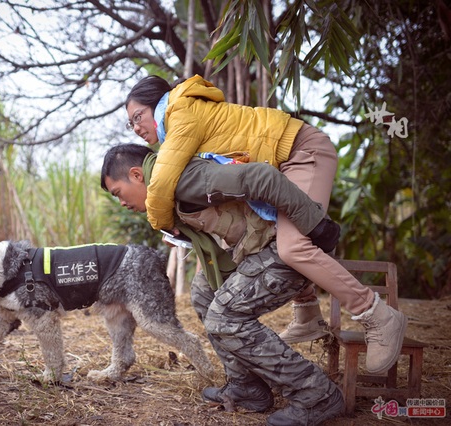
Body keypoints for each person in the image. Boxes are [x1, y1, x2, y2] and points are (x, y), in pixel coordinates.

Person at [123, 74, 407, 374]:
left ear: (158, 103)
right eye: (131, 124)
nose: (136, 128)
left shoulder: (181, 112)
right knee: (272, 236)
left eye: (138, 116)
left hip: (302, 152)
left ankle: (376, 315)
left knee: (293, 247)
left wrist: (161, 222)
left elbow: (163, 180)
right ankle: (308, 314)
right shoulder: (178, 120)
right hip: (284, 161)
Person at [100, 143, 345, 425]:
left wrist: (317, 225)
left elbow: (260, 176)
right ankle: (247, 387)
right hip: (258, 247)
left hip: (288, 244)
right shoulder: (165, 192)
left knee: (224, 316)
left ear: (136, 175)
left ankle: (316, 394)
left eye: (118, 193)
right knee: (204, 292)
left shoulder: (184, 179)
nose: (121, 202)